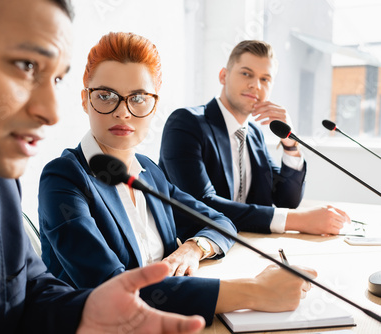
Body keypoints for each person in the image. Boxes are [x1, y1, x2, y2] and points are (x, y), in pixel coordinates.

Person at [0, 1, 208, 333]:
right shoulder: (59, 174)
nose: (51, 112)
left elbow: (27, 292)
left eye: (56, 79)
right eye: (25, 66)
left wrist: (83, 313)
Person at [38, 32, 317, 327]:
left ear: (154, 106)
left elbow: (221, 222)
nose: (122, 111)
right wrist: (256, 291)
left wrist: (193, 247)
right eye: (105, 96)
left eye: (138, 98)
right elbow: (114, 290)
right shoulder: (63, 179)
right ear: (85, 100)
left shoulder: (149, 173)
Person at [159, 40, 350, 235]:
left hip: (249, 242)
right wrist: (299, 221)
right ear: (223, 76)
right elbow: (202, 205)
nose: (255, 85)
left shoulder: (254, 134)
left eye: (265, 79)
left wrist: (290, 143)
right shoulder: (186, 123)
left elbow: (286, 200)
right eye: (246, 74)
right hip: (195, 246)